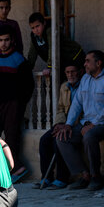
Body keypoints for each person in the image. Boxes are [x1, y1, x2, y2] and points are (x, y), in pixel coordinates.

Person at [56, 50, 104, 191]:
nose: (84, 64)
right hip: (85, 122)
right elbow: (77, 104)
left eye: (87, 61)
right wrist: (68, 124)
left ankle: (96, 176)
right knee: (62, 137)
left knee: (89, 136)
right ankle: (84, 175)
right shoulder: (85, 79)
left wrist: (94, 124)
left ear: (98, 63)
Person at [0, 25, 34, 183]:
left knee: (12, 136)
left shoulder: (19, 59)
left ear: (12, 40)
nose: (4, 43)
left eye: (7, 40)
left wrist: (20, 103)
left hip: (14, 103)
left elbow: (29, 85)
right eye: (0, 40)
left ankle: (17, 169)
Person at [34, 62, 82, 190]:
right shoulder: (64, 87)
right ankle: (46, 176)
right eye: (68, 72)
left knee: (59, 140)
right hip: (64, 123)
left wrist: (68, 125)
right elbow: (60, 108)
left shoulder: (84, 87)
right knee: (44, 140)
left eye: (73, 71)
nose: (70, 75)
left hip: (77, 123)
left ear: (79, 72)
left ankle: (62, 178)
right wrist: (59, 123)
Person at [26, 12, 84, 79]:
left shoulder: (50, 30)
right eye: (32, 28)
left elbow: (52, 49)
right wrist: (27, 69)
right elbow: (32, 54)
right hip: (62, 61)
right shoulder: (34, 37)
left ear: (44, 23)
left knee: (76, 81)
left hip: (75, 56)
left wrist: (49, 66)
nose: (36, 30)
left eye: (37, 26)